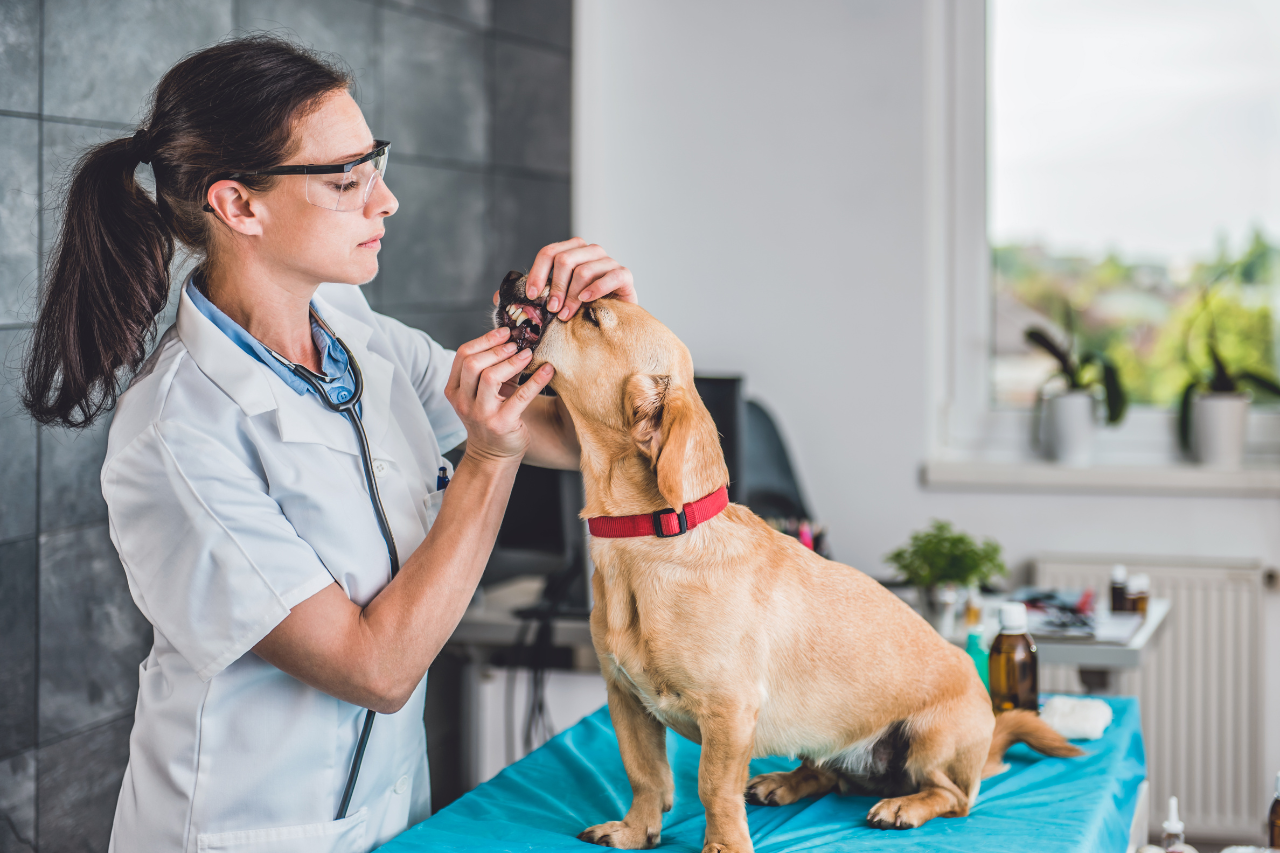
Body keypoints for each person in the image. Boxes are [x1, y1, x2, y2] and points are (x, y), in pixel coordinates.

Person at [21, 35, 635, 852]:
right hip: (248, 831)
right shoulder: (178, 435)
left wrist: (607, 334)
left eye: (374, 165)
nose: (387, 202)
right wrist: (487, 462)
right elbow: (374, 669)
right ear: (239, 205)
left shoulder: (353, 334)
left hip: (387, 813)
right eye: (348, 180)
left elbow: (573, 433)